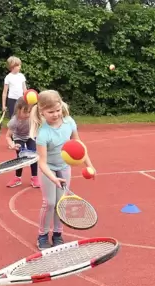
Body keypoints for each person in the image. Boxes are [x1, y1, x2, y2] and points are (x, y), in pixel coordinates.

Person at [29, 90, 96, 250]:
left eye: (58, 110)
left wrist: (89, 165)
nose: (55, 114)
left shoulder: (69, 122)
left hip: (64, 167)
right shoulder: (43, 132)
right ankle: (42, 235)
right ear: (42, 111)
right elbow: (43, 163)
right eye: (50, 112)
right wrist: (54, 178)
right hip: (49, 169)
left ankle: (58, 234)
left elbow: (79, 145)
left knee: (62, 203)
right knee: (50, 203)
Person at [5, 97, 40, 188]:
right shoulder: (14, 121)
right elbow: (8, 136)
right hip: (18, 137)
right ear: (18, 110)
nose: (28, 114)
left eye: (29, 111)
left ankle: (34, 177)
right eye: (25, 111)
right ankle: (17, 178)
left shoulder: (32, 117)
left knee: (33, 155)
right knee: (20, 157)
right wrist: (12, 144)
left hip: (30, 136)